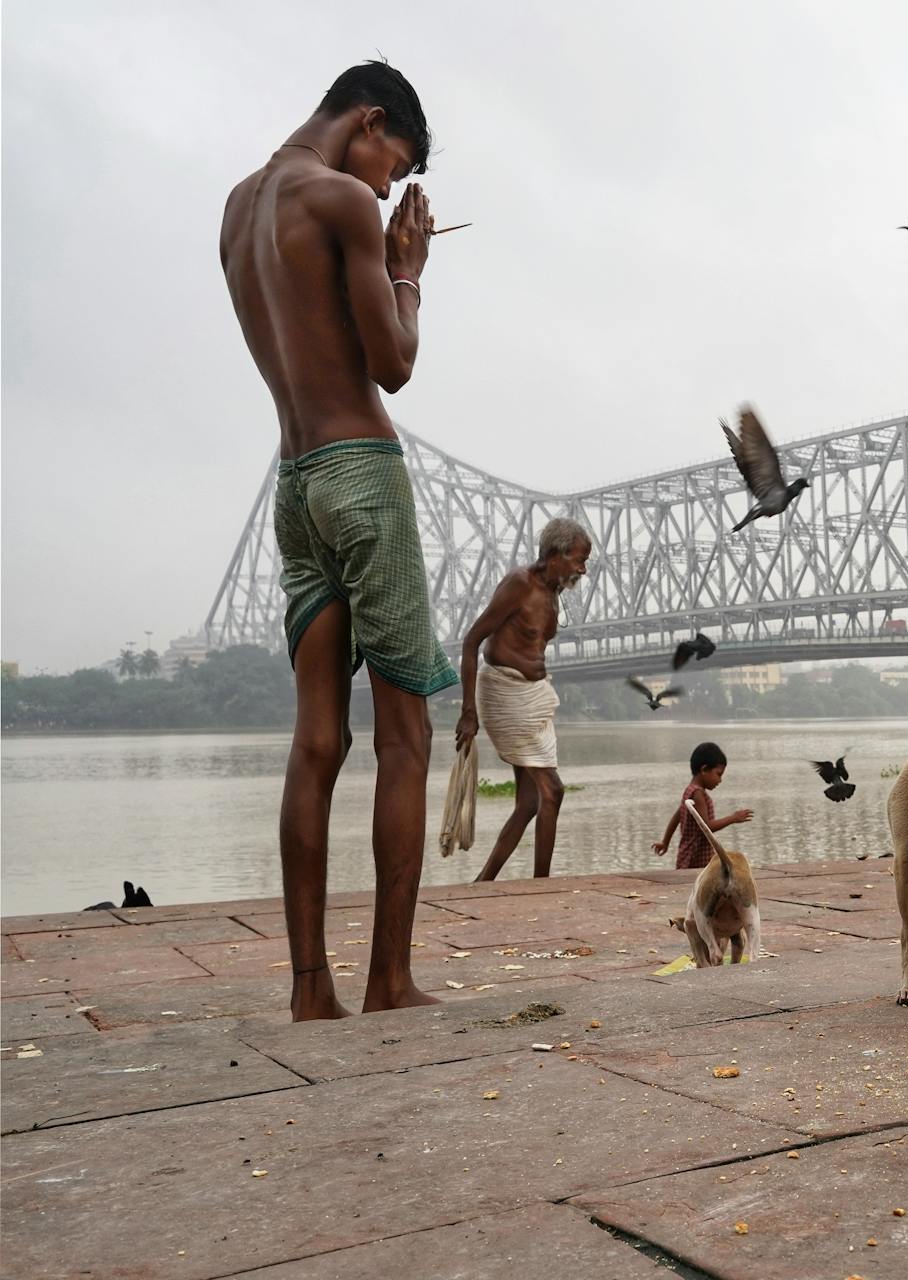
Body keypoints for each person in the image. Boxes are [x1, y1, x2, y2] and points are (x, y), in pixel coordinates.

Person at [220, 60, 451, 1020]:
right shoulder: (343, 200)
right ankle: (389, 981)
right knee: (405, 737)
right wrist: (406, 272)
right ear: (367, 121)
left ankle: (310, 992)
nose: (387, 192)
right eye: (390, 168)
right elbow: (391, 365)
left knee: (316, 738)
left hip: (295, 482)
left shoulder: (237, 211)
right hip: (362, 472)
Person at [454, 518, 593, 881]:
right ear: (553, 555)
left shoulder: (554, 591)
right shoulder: (520, 583)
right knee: (553, 791)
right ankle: (541, 885)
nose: (583, 568)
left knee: (530, 801)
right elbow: (471, 642)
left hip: (534, 696)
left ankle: (483, 881)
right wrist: (469, 713)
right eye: (579, 559)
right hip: (505, 691)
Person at [653, 742, 752, 870]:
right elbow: (707, 827)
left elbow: (676, 817)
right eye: (718, 774)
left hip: (686, 856)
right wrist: (733, 818)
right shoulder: (698, 794)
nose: (720, 780)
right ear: (704, 769)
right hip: (695, 859)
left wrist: (665, 842)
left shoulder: (689, 791)